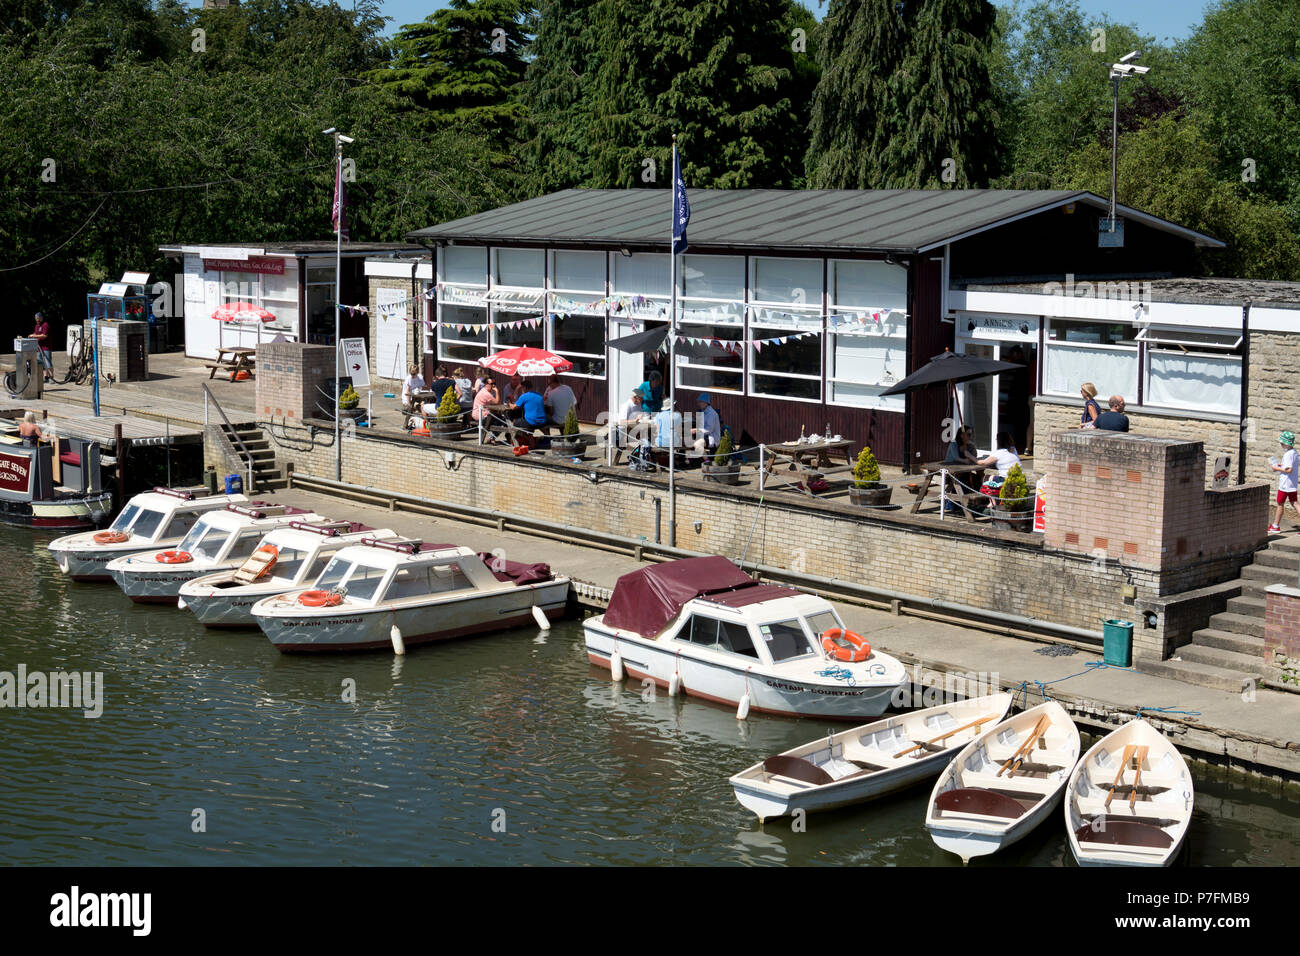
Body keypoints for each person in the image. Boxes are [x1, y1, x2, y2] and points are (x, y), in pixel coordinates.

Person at [1269, 431, 1299, 533]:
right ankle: (1275, 525)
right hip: (1292, 484)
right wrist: (1280, 466)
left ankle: (1275, 526)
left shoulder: (1288, 454)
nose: (1281, 445)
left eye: (1282, 443)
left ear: (1286, 443)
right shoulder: (1294, 452)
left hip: (1285, 485)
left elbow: (1289, 469)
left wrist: (1276, 468)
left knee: (1280, 504)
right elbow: (1288, 467)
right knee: (1294, 503)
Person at [689, 393, 721, 457]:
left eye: (700, 402)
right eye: (699, 402)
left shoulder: (711, 413)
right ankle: (692, 459)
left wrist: (696, 430)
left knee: (696, 444)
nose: (699, 404)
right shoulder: (703, 411)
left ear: (706, 403)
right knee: (688, 441)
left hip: (712, 438)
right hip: (705, 436)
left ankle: (706, 460)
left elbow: (708, 430)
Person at [31, 312, 53, 382]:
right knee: (40, 362)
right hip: (38, 347)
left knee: (48, 362)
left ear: (41, 318)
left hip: (46, 347)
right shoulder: (37, 326)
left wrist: (34, 336)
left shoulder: (45, 325)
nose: (37, 320)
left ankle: (51, 377)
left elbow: (44, 336)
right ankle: (45, 377)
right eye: (36, 318)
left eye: (38, 318)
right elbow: (36, 333)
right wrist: (32, 335)